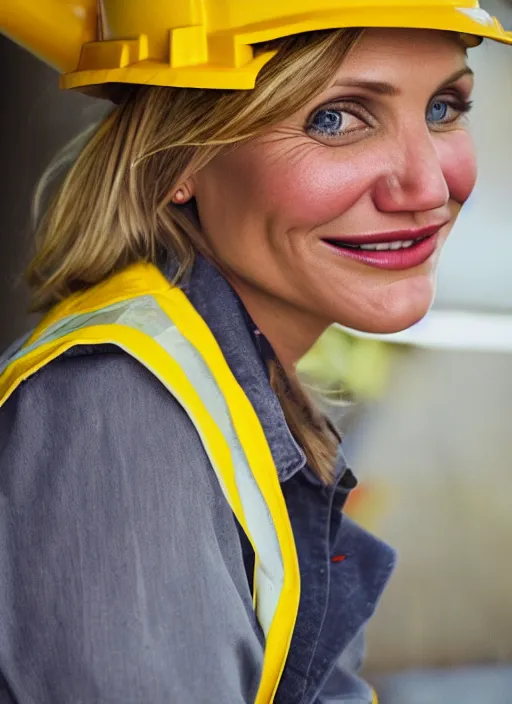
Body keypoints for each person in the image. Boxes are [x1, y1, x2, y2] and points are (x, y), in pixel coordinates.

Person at [0, 2, 510, 703]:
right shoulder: (121, 410)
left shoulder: (232, 382)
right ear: (179, 159)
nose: (428, 188)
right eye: (335, 118)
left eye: (445, 108)